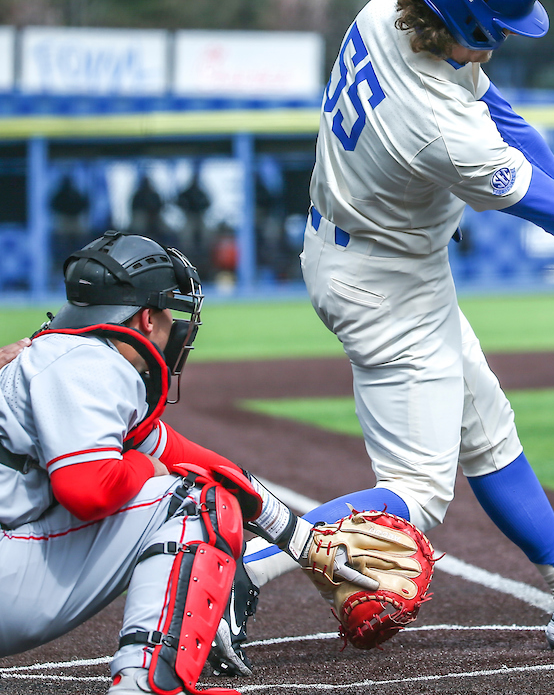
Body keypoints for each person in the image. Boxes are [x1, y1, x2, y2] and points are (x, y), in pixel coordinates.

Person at [213, 0, 554, 674]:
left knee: (489, 433)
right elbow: (533, 198)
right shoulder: (438, 128)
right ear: (468, 22)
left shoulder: (386, 11)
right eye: (499, 29)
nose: (505, 41)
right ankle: (230, 572)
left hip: (380, 261)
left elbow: (509, 125)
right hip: (383, 286)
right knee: (416, 494)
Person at [0, 231, 327, 695]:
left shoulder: (60, 356)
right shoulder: (91, 365)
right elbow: (89, 490)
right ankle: (145, 684)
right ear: (145, 317)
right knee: (193, 503)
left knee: (188, 481)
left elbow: (189, 457)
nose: (176, 325)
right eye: (170, 311)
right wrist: (145, 471)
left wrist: (306, 541)